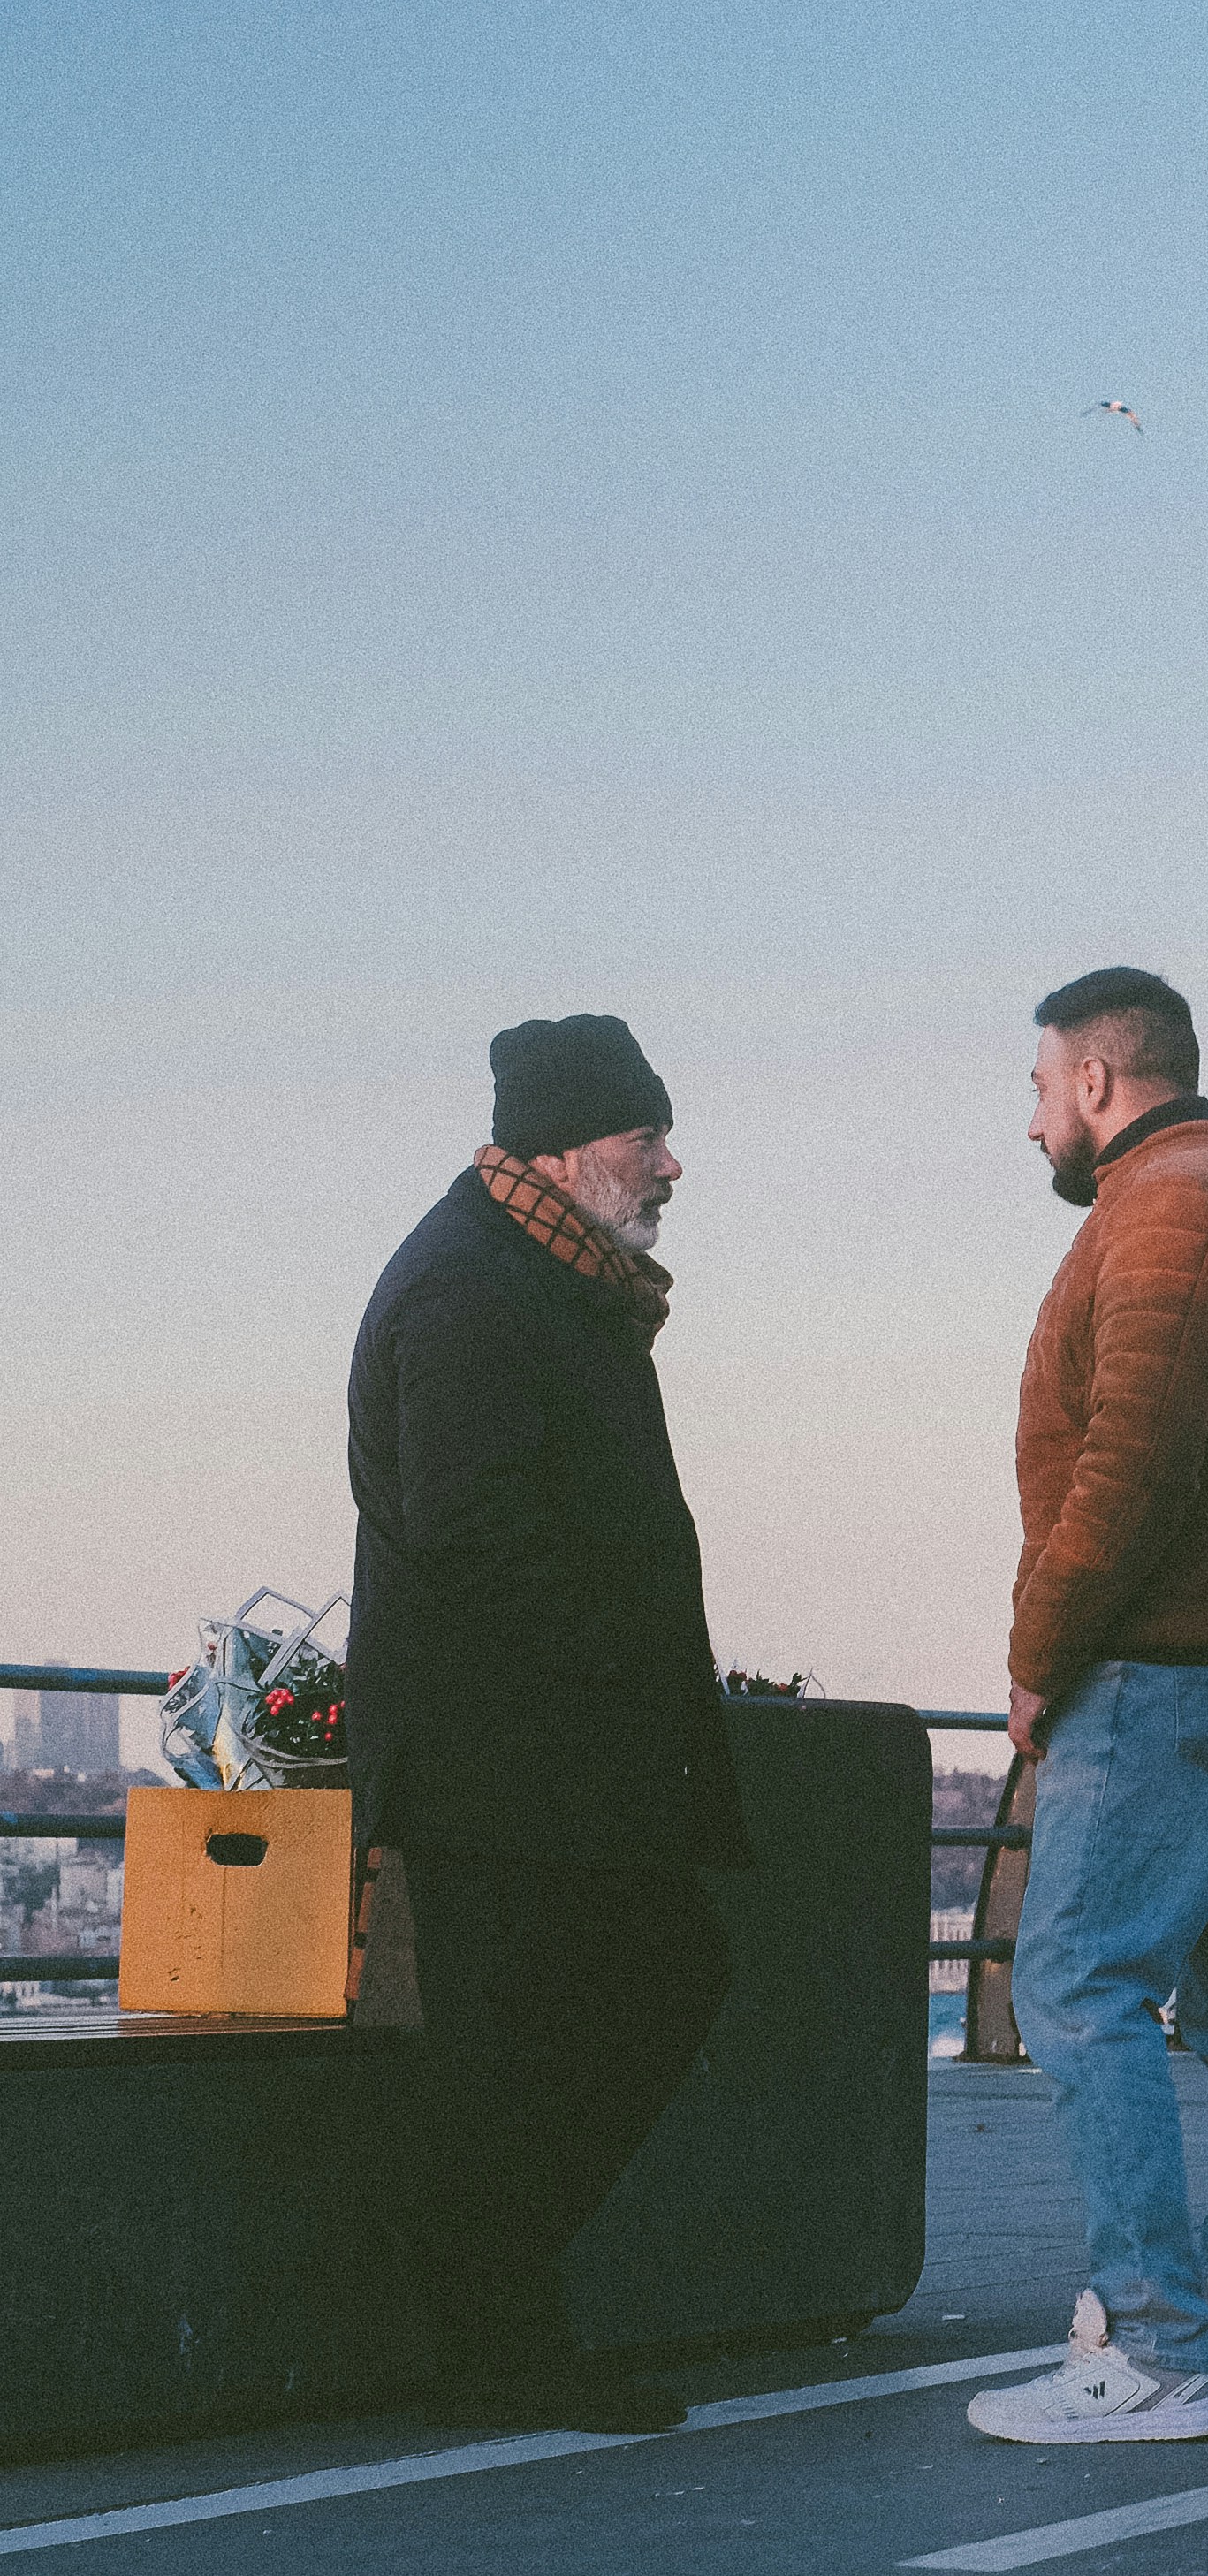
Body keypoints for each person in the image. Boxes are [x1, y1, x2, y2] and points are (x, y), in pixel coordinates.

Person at [970, 967, 1208, 2451]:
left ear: (1094, 1080)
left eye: (1033, 1089)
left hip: (1164, 1669)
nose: (1028, 1126)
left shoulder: (1164, 1215)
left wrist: (1036, 1649)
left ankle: (1152, 2349)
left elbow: (1128, 1463)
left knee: (1073, 1986)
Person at [346, 1014, 746, 2432]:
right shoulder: (470, 1287)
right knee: (544, 2033)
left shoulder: (535, 1269)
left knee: (599, 2006)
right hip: (502, 1765)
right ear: (574, 1147)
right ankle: (494, 2330)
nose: (672, 1165)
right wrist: (621, 1666)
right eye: (649, 1137)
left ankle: (496, 2319)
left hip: (544, 1759)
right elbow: (473, 1530)